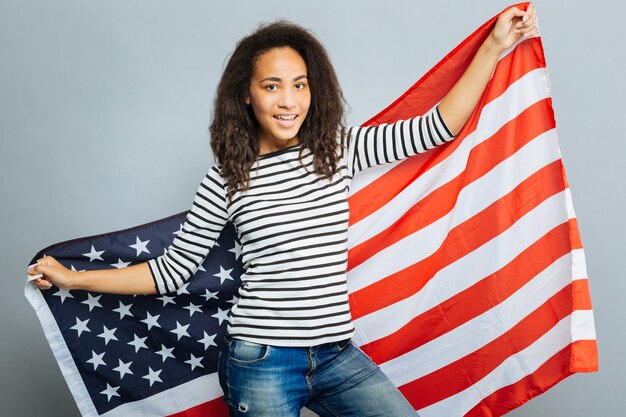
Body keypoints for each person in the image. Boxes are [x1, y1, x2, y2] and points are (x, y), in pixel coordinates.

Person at [28, 4, 537, 417]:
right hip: (260, 361)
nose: (288, 100)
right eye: (272, 85)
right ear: (247, 96)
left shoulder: (337, 150)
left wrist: (495, 45)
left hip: (337, 354)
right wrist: (75, 279)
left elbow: (437, 127)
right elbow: (169, 273)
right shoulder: (228, 177)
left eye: (300, 84)